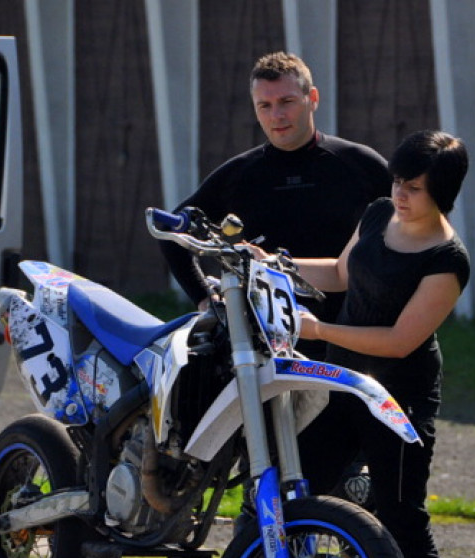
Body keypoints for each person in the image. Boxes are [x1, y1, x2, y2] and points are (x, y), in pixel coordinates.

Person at [280, 129, 471, 558]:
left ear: (444, 193)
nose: (400, 195)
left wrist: (317, 333)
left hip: (399, 398)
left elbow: (399, 341)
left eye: (414, 187)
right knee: (292, 492)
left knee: (402, 514)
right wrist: (276, 263)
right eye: (397, 182)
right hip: (341, 385)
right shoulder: (377, 214)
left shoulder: (447, 259)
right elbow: (341, 273)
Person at [160, 50, 391, 361]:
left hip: (352, 337)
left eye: (286, 102)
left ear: (313, 98)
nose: (276, 116)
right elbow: (170, 230)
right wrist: (204, 298)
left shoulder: (360, 165)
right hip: (267, 347)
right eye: (264, 106)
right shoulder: (240, 174)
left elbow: (416, 225)